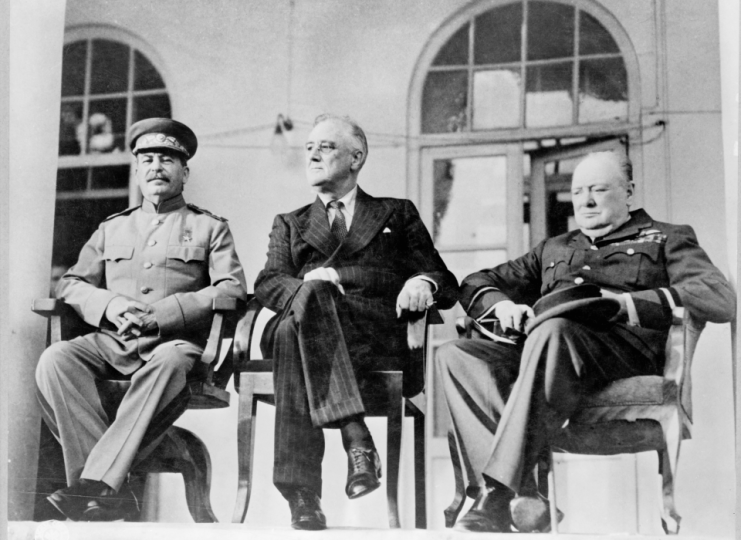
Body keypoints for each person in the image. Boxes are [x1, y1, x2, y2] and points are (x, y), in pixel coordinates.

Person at [436, 151, 735, 533]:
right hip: (548, 354)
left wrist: (626, 303)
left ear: (628, 192)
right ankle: (524, 491)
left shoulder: (667, 236)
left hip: (622, 350)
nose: (586, 201)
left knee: (552, 330)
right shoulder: (553, 248)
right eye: (578, 192)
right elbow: (476, 282)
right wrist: (504, 305)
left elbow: (716, 296)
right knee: (456, 355)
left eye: (598, 190)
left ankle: (496, 493)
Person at [36, 117, 247, 521]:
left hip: (172, 347)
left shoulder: (209, 228)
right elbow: (72, 283)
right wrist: (109, 305)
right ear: (136, 170)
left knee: (169, 362)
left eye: (167, 160)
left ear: (184, 172)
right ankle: (100, 487)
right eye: (147, 159)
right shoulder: (112, 228)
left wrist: (164, 315)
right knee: (56, 359)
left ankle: (92, 486)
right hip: (112, 343)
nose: (156, 167)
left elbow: (231, 289)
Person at [254, 113, 458, 530]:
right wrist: (314, 289)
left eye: (325, 147)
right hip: (313, 327)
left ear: (356, 157)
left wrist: (419, 281)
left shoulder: (395, 214)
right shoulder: (290, 222)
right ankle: (356, 436)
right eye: (308, 147)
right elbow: (268, 283)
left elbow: (445, 281)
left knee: (296, 329)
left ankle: (303, 495)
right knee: (307, 303)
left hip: (373, 335)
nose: (311, 154)